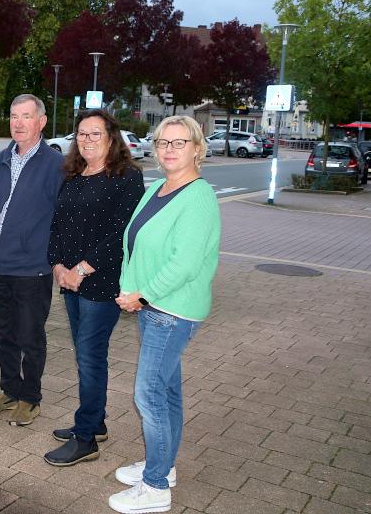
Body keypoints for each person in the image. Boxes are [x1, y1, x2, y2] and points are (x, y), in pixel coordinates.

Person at [108, 115, 221, 514]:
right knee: (167, 389)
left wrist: (144, 294)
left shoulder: (199, 196)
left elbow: (185, 263)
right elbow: (133, 242)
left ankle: (155, 487)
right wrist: (127, 285)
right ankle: (164, 465)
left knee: (149, 393)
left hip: (171, 309)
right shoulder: (157, 188)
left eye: (179, 142)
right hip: (151, 306)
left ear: (196, 148)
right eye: (162, 142)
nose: (169, 149)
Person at [44, 110, 145, 466]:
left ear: (111, 137)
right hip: (70, 282)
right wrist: (57, 265)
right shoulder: (72, 175)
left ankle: (86, 439)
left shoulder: (127, 178)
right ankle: (95, 421)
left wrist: (81, 270)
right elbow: (56, 224)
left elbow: (122, 234)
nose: (87, 140)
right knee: (85, 354)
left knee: (89, 357)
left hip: (100, 284)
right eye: (81, 134)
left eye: (94, 134)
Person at [0, 94, 64, 427]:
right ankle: (10, 391)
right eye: (14, 116)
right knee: (4, 334)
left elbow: (63, 217)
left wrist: (57, 260)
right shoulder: (1, 158)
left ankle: (30, 398)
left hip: (32, 269)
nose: (18, 122)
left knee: (31, 336)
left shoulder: (56, 164)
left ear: (41, 122)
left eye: (26, 116)